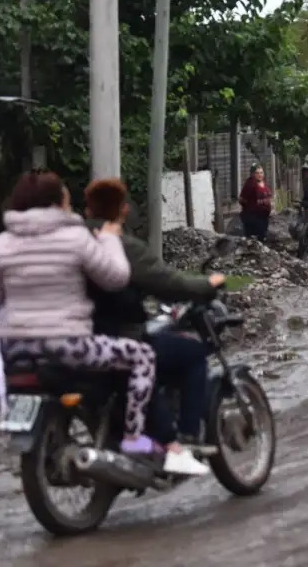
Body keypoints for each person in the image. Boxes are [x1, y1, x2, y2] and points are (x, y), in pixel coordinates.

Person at [0, 172, 167, 468]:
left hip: (14, 351)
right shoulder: (75, 238)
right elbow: (115, 278)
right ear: (55, 204)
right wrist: (110, 238)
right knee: (142, 356)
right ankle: (133, 438)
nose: (70, 206)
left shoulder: (0, 245)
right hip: (67, 347)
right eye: (66, 200)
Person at [84, 179, 225, 476]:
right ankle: (185, 441)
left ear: (87, 209)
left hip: (72, 339)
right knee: (192, 354)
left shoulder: (71, 242)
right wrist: (208, 284)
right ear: (123, 210)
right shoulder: (120, 245)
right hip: (116, 336)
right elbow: (167, 281)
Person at [238, 164, 273, 242]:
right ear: (252, 174)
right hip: (254, 217)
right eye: (257, 173)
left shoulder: (263, 183)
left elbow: (268, 196)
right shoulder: (250, 184)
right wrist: (250, 207)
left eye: (261, 172)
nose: (260, 175)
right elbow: (241, 199)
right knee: (254, 240)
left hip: (264, 217)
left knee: (262, 238)